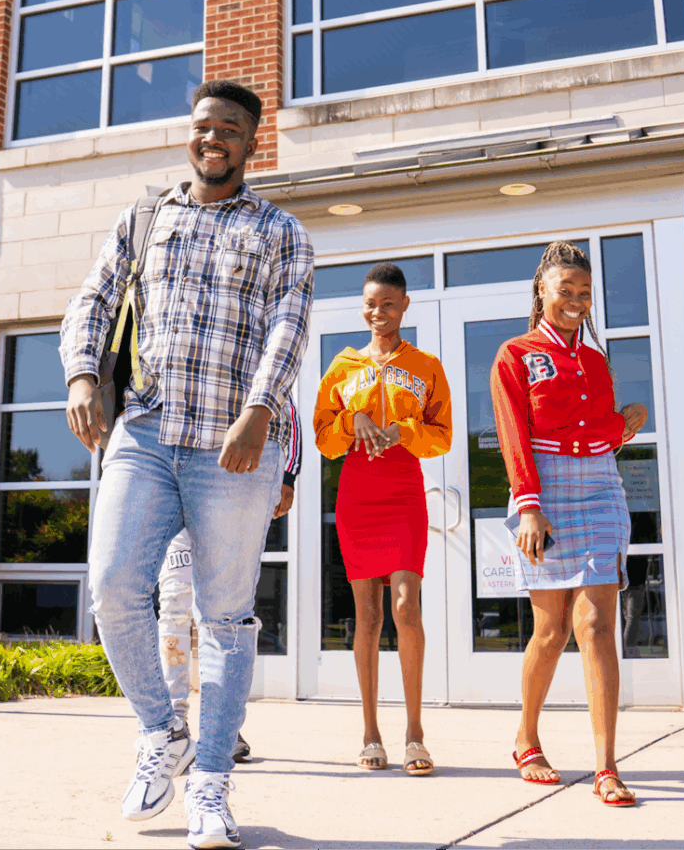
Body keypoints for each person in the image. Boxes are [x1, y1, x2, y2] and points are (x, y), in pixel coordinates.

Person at [61, 80, 314, 850]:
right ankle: (159, 729)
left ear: (251, 143)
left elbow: (289, 323)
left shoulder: (281, 230)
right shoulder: (145, 218)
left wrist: (260, 409)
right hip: (145, 432)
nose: (215, 139)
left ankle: (210, 781)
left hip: (234, 446)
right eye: (205, 126)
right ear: (191, 133)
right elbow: (93, 300)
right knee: (111, 588)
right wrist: (79, 373)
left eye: (231, 129)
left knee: (226, 619)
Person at [490, 241, 647, 807]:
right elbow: (513, 434)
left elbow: (597, 429)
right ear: (542, 292)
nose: (576, 301)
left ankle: (606, 766)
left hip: (600, 485)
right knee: (551, 630)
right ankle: (526, 737)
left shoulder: (596, 359)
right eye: (566, 291)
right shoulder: (515, 353)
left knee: (596, 625)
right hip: (545, 488)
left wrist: (625, 424)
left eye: (584, 292)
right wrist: (528, 503)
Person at [313, 262, 453, 777]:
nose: (378, 313)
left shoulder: (426, 365)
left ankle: (415, 733)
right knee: (367, 614)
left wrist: (403, 432)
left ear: (404, 306)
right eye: (371, 304)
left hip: (403, 491)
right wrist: (357, 420)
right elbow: (323, 436)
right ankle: (370, 732)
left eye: (388, 304)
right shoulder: (343, 366)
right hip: (358, 493)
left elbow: (443, 434)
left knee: (405, 606)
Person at [154, 398, 302, 764]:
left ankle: (222, 726)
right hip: (174, 489)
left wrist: (287, 477)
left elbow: (290, 415)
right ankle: (173, 723)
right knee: (173, 605)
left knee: (222, 614)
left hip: (228, 495)